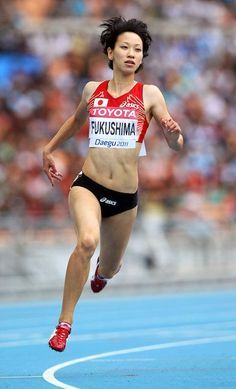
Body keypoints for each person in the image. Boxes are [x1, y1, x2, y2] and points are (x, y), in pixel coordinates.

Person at [43, 16, 184, 352]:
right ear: (110, 52)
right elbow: (76, 121)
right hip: (88, 185)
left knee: (109, 264)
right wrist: (48, 148)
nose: (132, 53)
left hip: (124, 198)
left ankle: (103, 274)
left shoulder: (149, 94)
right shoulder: (93, 90)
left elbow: (176, 143)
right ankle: (64, 325)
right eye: (125, 47)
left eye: (137, 49)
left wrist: (172, 132)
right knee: (87, 242)